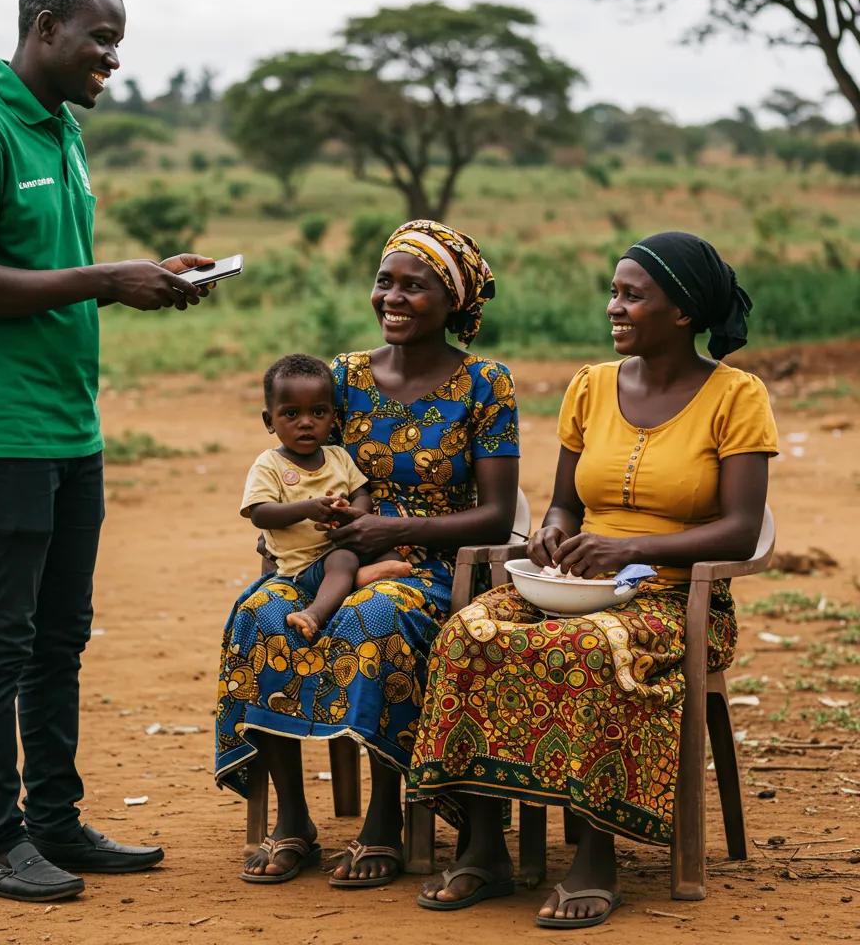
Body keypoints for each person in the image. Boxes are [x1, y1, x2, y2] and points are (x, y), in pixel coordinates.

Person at [0, 0, 216, 903]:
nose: (112, 59)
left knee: (60, 637)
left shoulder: (61, 128)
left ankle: (52, 821)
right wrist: (105, 279)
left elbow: (50, 264)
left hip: (68, 424)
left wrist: (140, 276)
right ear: (45, 28)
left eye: (118, 43)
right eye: (100, 39)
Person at [409, 231, 778, 925]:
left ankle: (595, 856)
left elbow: (739, 527)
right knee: (467, 634)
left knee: (589, 649)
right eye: (613, 291)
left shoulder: (736, 396)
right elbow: (564, 503)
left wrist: (629, 548)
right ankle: (484, 847)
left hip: (673, 599)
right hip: (571, 584)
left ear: (682, 311)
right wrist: (553, 531)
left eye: (632, 296)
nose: (614, 307)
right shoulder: (591, 385)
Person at [215, 219, 519, 887]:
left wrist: (390, 530)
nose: (393, 298)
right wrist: (290, 536)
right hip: (329, 557)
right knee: (258, 614)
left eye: (415, 286)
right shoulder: (345, 376)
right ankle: (293, 820)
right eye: (385, 282)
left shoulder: (485, 383)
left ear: (453, 301)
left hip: (436, 567)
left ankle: (384, 821)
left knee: (374, 617)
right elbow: (300, 464)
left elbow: (498, 515)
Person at [244, 353, 412, 643]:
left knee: (392, 552)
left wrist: (354, 513)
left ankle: (354, 576)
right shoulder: (269, 465)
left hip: (343, 545)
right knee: (343, 561)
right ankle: (315, 613)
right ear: (269, 420)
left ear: (333, 418)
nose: (306, 423)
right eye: (291, 414)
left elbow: (361, 493)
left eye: (318, 413)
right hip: (304, 566)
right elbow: (260, 513)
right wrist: (306, 509)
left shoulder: (338, 457)